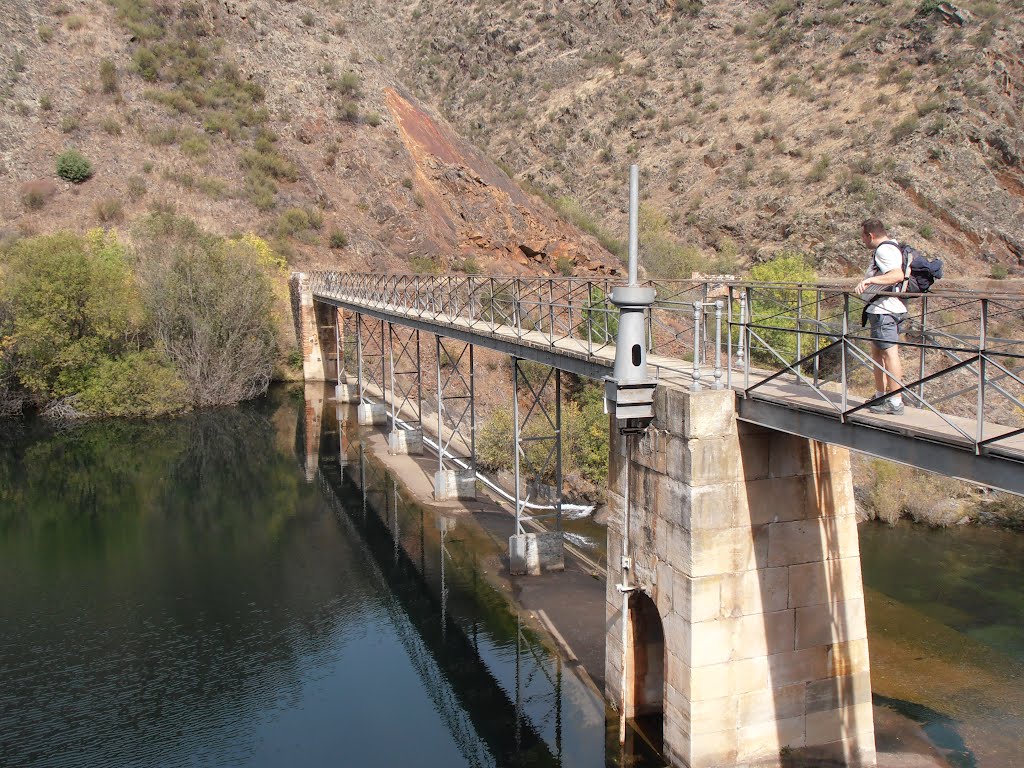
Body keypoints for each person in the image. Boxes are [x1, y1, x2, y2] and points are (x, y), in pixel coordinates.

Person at [854, 218, 907, 415]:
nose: (862, 241)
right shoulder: (891, 247)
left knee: (889, 353)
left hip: (885, 309)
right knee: (878, 353)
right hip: (879, 309)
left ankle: (894, 401)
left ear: (870, 235)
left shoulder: (884, 250)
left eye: (863, 236)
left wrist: (870, 281)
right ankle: (880, 396)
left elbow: (896, 275)